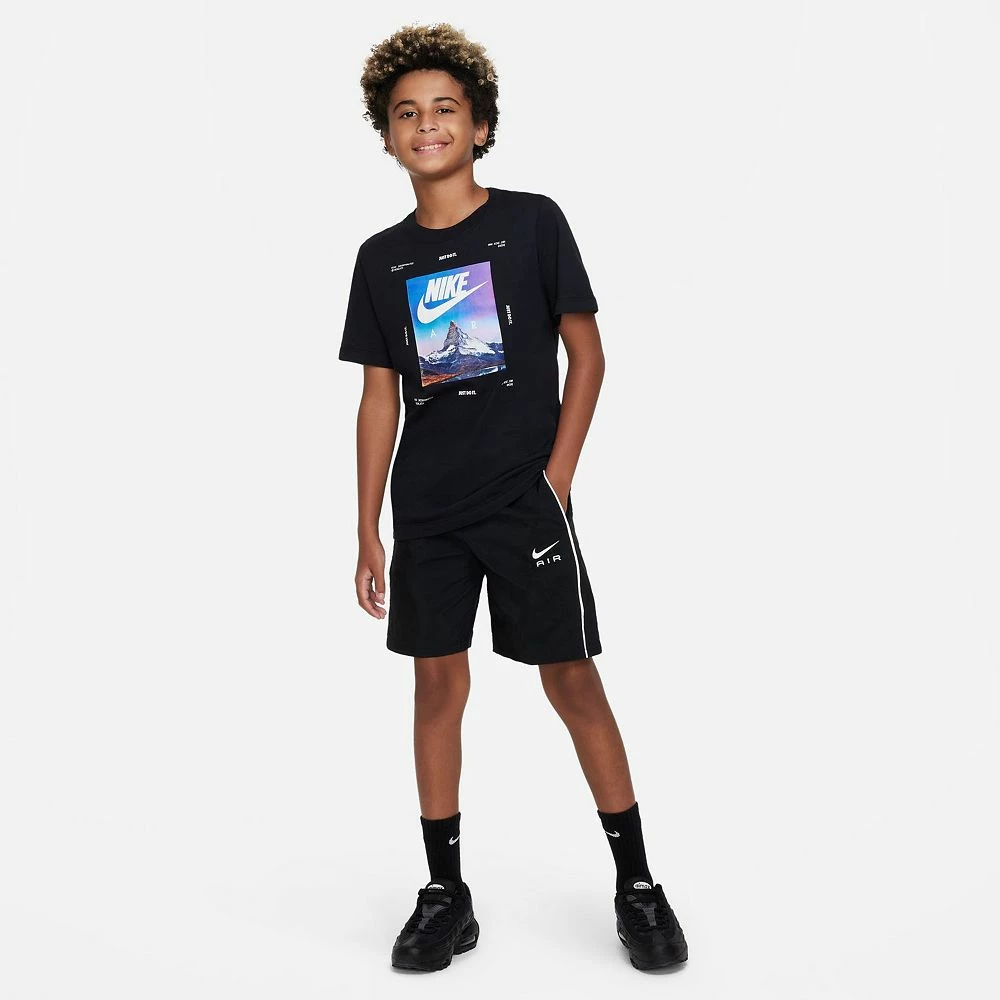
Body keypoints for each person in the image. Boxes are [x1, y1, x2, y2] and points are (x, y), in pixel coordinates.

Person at [338, 22, 688, 974]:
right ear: (386, 136)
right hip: (428, 512)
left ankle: (638, 884)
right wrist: (367, 526)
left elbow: (588, 354)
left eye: (445, 109)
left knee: (570, 678)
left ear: (481, 126)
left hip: (525, 501)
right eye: (406, 113)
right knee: (436, 686)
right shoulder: (380, 258)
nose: (427, 124)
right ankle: (444, 893)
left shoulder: (532, 222)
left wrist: (557, 478)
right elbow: (378, 398)